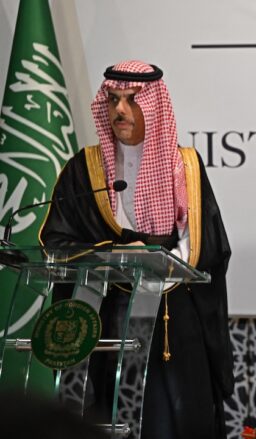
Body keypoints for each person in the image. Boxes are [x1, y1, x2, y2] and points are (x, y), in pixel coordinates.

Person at [39, 60, 234, 438]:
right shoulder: (85, 169)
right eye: (113, 100)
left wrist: (161, 266)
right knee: (111, 411)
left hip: (172, 315)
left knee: (170, 416)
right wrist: (117, 256)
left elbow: (207, 244)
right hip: (109, 308)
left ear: (154, 105)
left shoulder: (184, 166)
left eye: (131, 100)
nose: (120, 110)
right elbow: (56, 241)